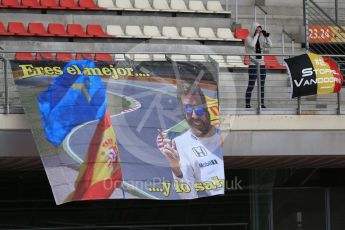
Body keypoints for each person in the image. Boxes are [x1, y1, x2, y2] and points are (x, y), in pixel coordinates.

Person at [161, 80, 224, 199]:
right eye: (188, 110)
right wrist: (176, 170)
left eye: (199, 109)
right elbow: (188, 196)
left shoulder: (223, 135)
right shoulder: (180, 144)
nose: (194, 116)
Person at [245, 22, 272, 108]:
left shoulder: (260, 40)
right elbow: (252, 45)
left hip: (262, 65)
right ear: (253, 29)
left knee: (262, 86)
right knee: (251, 85)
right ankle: (247, 104)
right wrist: (256, 35)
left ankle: (261, 104)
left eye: (259, 30)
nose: (258, 31)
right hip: (253, 65)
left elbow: (271, 45)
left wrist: (266, 37)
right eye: (257, 29)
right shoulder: (248, 38)